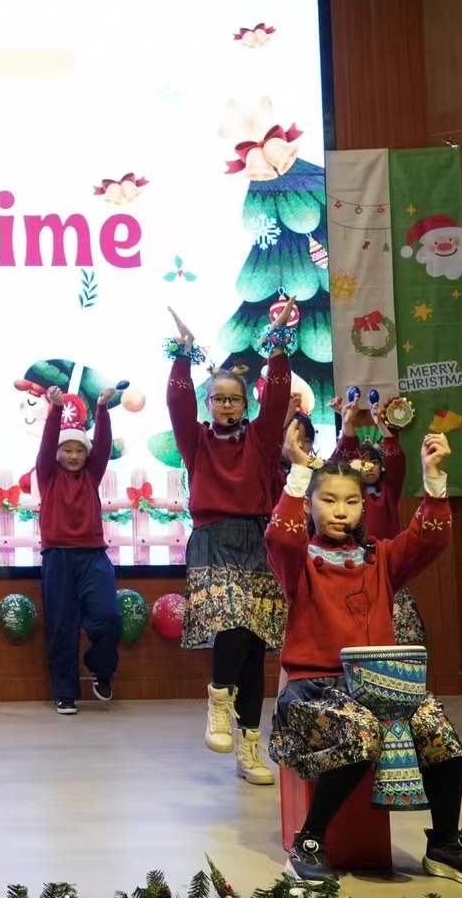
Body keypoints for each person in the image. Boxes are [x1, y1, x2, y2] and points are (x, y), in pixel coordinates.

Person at [266, 434, 462, 888]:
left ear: (363, 506)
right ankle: (309, 842)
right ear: (310, 505)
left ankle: (445, 844)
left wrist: (433, 476)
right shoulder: (299, 562)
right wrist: (297, 472)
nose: (341, 511)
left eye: (351, 501)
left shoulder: (380, 558)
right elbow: (280, 535)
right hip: (313, 691)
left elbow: (429, 539)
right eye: (328, 500)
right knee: (361, 730)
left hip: (379, 687)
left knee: (439, 731)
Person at [167, 302, 296, 788]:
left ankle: (249, 746)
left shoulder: (261, 440)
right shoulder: (196, 441)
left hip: (257, 540)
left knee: (254, 647)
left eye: (234, 399)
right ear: (208, 404)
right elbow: (177, 402)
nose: (225, 406)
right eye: (218, 399)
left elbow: (277, 395)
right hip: (213, 539)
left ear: (245, 404)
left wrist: (277, 347)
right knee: (232, 622)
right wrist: (182, 356)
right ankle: (218, 698)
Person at [34, 384, 122, 715]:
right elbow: (46, 445)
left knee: (108, 616)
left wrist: (102, 408)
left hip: (93, 556)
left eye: (79, 451)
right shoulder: (47, 475)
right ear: (57, 454)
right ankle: (65, 692)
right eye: (67, 450)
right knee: (61, 627)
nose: (73, 456)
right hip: (57, 557)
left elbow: (104, 446)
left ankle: (101, 670)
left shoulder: (91, 474)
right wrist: (56, 408)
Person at [329, 392, 425, 645]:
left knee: (402, 637)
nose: (369, 466)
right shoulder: (351, 494)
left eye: (374, 462)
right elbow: (339, 462)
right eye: (362, 462)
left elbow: (396, 458)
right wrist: (347, 424)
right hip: (354, 567)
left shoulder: (388, 490)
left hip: (387, 565)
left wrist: (381, 425)